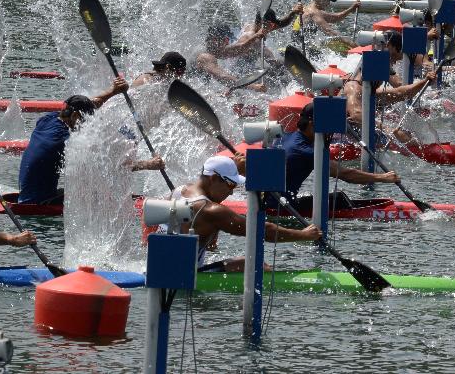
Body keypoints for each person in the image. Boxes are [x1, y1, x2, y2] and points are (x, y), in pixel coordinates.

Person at [18, 77, 163, 204]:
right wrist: (148, 164)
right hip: (40, 202)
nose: (86, 125)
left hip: (28, 194)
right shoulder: (67, 142)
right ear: (75, 116)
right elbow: (114, 164)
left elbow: (90, 104)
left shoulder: (49, 119)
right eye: (85, 120)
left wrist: (113, 92)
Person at [166, 155, 322, 272]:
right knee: (258, 265)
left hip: (164, 268)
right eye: (230, 184)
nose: (232, 191)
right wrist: (304, 235)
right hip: (187, 276)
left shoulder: (179, 190)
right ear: (213, 178)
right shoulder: (211, 211)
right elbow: (262, 230)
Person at [269, 103, 399, 209]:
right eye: (327, 125)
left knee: (337, 198)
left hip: (270, 200)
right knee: (339, 201)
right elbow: (345, 174)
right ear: (311, 123)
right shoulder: (305, 151)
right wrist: (382, 177)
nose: (330, 131)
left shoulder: (283, 137)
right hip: (280, 207)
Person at [193, 23, 269, 91]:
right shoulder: (205, 56)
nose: (227, 43)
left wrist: (256, 36)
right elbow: (223, 77)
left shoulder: (217, 49)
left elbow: (241, 47)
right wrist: (253, 87)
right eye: (226, 40)